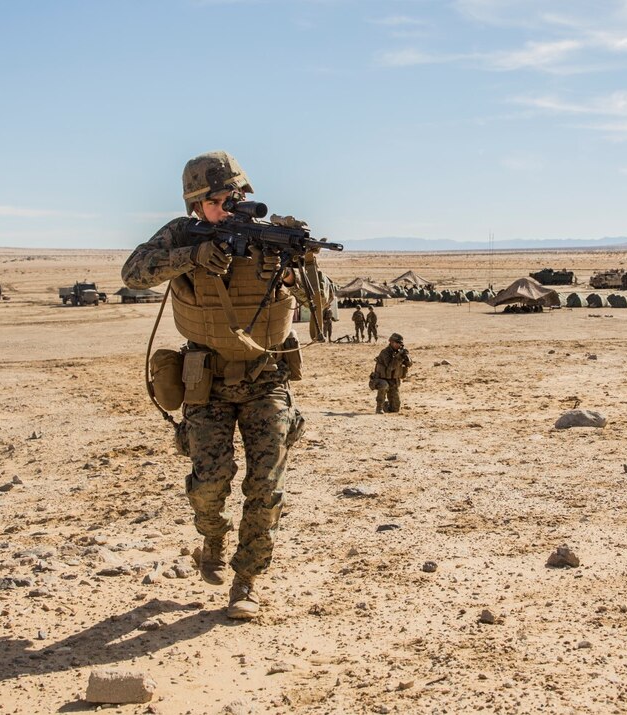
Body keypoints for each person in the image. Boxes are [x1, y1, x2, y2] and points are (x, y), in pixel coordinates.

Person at [122, 150, 331, 620]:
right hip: (206, 381)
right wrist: (190, 255)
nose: (227, 204)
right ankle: (212, 535)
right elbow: (133, 272)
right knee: (210, 484)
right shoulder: (181, 232)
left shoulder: (272, 240)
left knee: (266, 486)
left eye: (232, 196)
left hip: (264, 380)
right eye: (215, 200)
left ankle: (246, 581)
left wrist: (304, 267)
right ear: (196, 205)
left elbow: (323, 304)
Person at [371, 333, 412, 413]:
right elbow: (390, 367)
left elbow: (409, 364)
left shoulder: (399, 352)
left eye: (400, 344)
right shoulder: (385, 352)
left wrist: (406, 356)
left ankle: (385, 406)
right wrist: (399, 357)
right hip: (380, 380)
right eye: (397, 343)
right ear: (392, 342)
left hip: (393, 381)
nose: (399, 345)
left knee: (395, 409)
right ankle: (379, 408)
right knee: (384, 385)